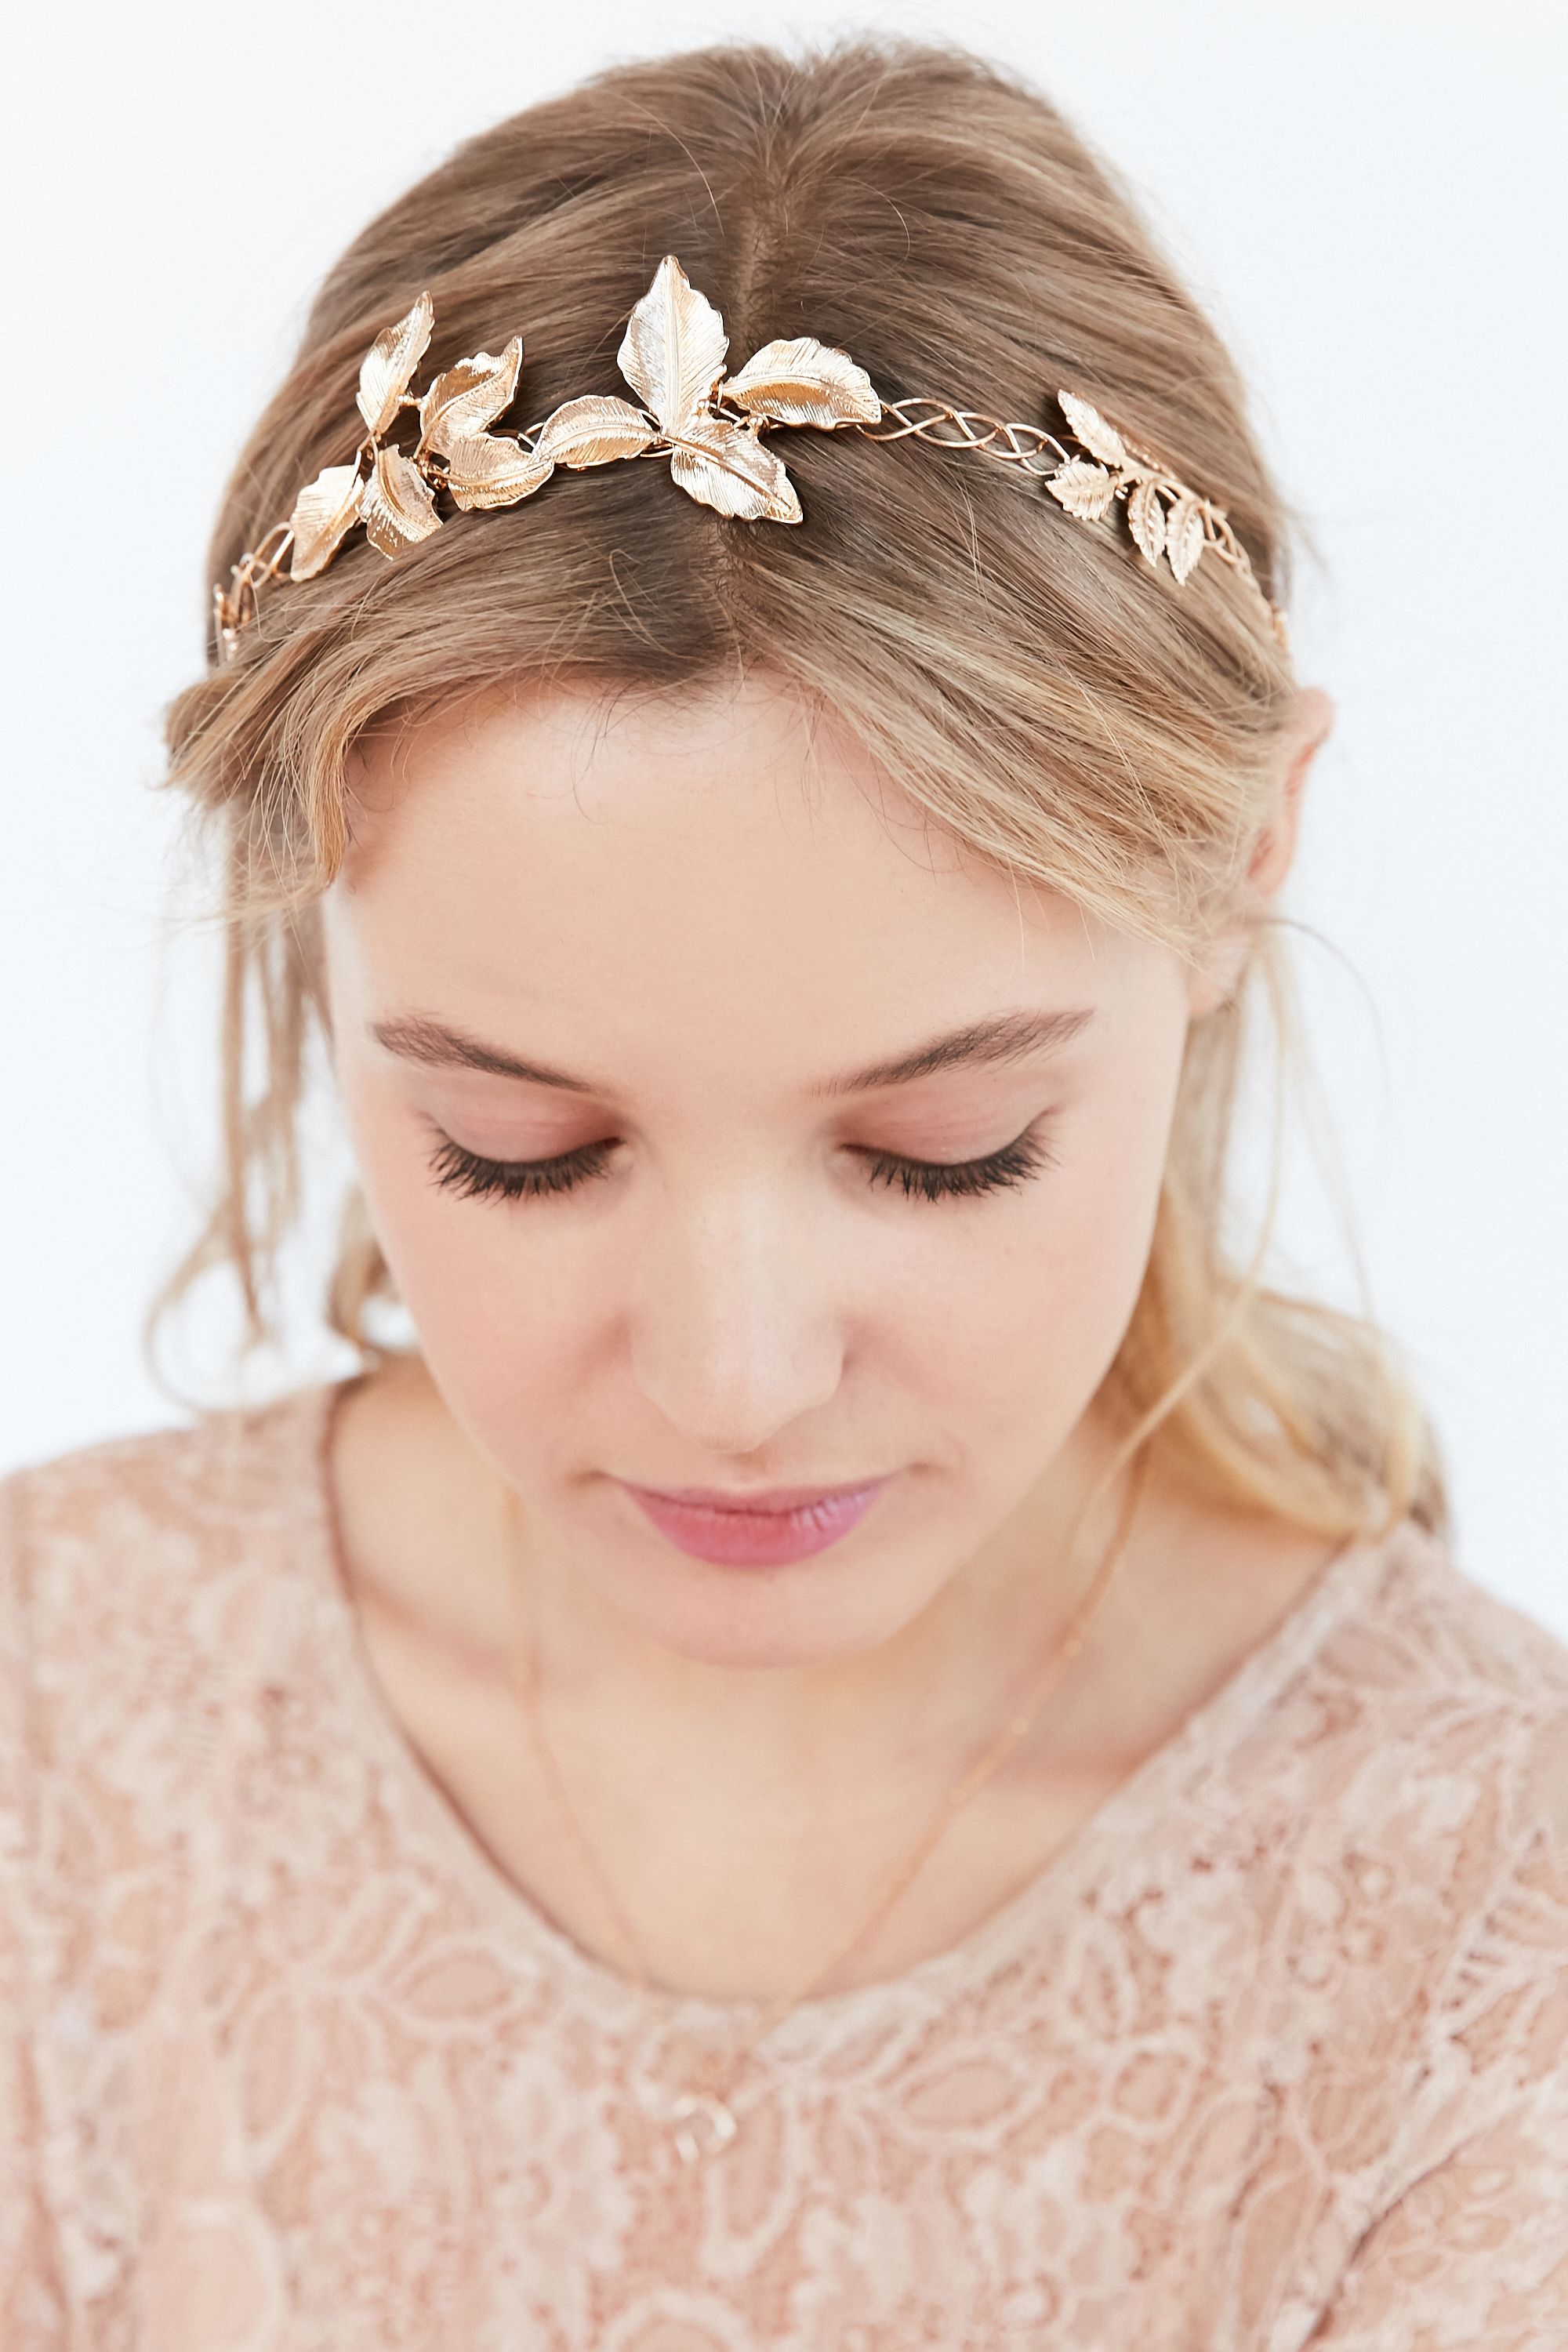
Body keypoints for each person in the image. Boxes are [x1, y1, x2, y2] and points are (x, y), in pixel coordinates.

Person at [3, 32, 1564, 2351]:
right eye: (522, 1150)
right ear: (311, 936)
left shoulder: (1483, 1935)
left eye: (944, 1153)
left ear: (1250, 858)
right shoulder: (55, 1732)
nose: (736, 1385)